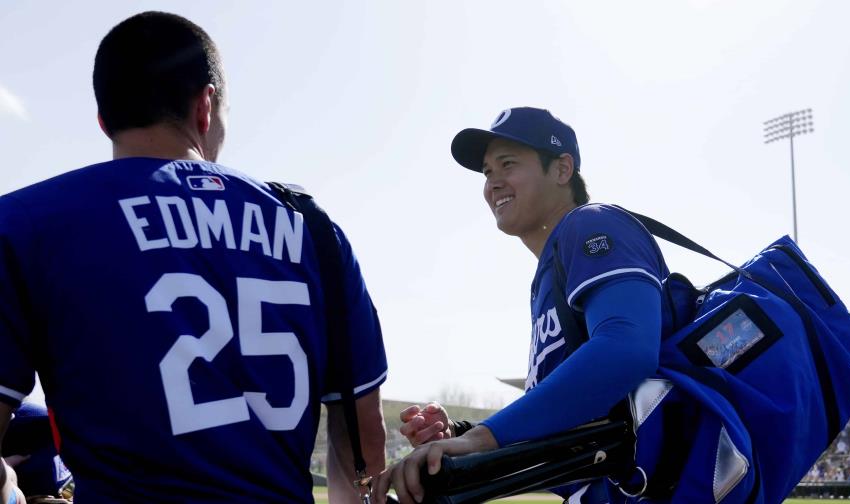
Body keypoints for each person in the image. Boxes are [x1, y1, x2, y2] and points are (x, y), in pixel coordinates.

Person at [0, 11, 387, 503]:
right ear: (206, 106)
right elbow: (363, 445)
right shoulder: (312, 228)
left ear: (103, 119)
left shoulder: (26, 222)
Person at [375, 107, 670, 504]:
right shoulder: (550, 272)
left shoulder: (590, 224)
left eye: (507, 164)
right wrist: (463, 434)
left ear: (562, 169)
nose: (493, 183)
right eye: (486, 172)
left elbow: (626, 349)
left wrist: (483, 438)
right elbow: (573, 426)